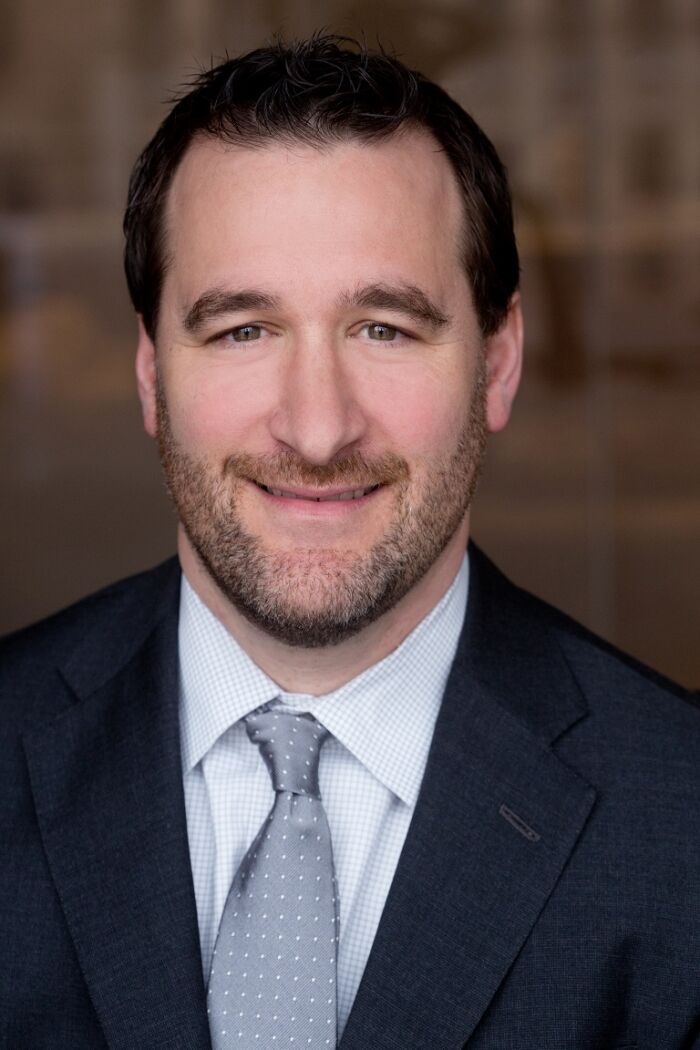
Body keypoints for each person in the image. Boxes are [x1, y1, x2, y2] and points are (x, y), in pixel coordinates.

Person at [1, 33, 698, 1050]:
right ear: (152, 374)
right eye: (243, 330)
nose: (318, 429)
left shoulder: (681, 822)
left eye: (385, 329)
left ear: (500, 362)